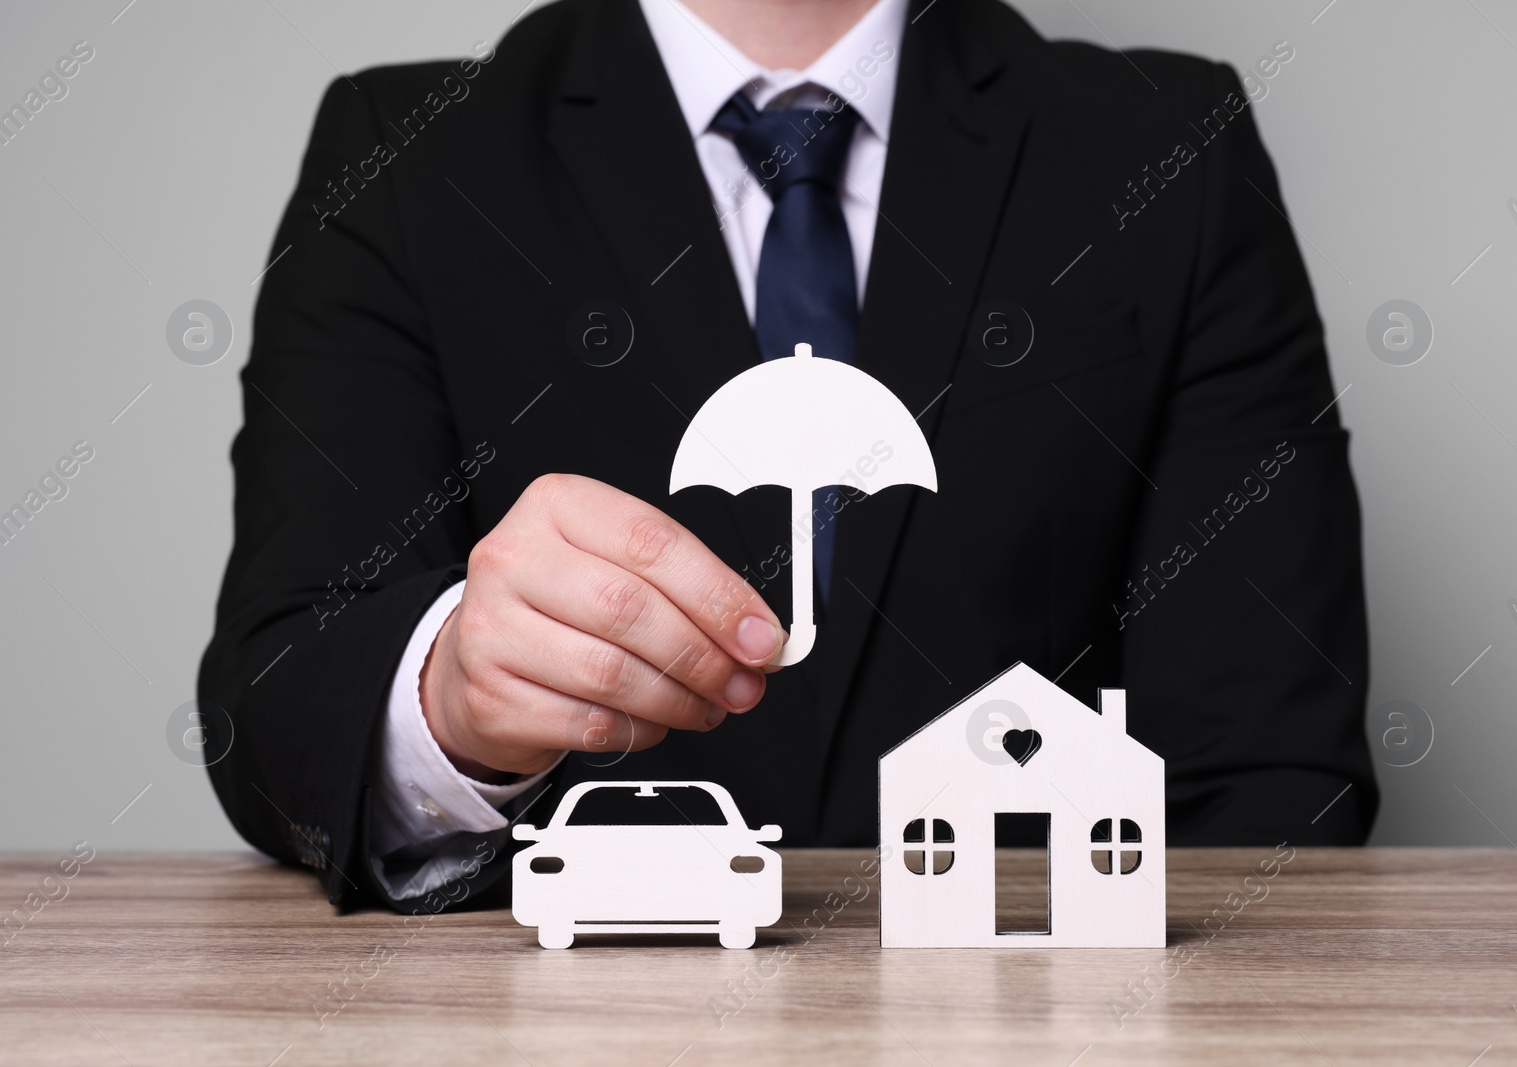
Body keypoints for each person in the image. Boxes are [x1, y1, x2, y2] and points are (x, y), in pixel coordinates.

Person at [199, 0, 1376, 911]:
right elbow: (276, 698)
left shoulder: (1167, 153)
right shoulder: (407, 156)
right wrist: (443, 701)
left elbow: (1272, 773)